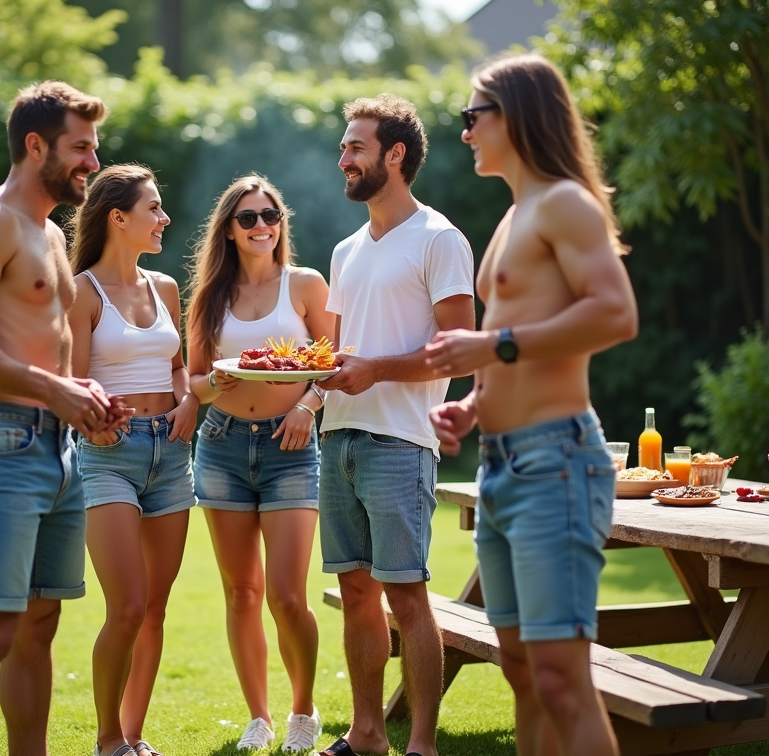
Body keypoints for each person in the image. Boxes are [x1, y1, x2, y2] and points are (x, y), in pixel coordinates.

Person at [427, 53, 638, 756]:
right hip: (501, 466)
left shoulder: (565, 204)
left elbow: (615, 314)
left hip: (556, 462)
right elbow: (506, 344)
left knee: (560, 680)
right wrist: (474, 408)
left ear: (512, 115)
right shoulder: (513, 218)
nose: (464, 134)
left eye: (471, 117)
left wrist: (498, 347)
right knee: (521, 672)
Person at [0, 80, 129, 756]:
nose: (91, 164)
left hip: (57, 448)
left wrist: (85, 403)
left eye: (93, 149)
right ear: (34, 145)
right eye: (79, 149)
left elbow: (44, 350)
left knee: (38, 626)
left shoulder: (47, 234)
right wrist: (54, 388)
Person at [315, 94, 476, 756]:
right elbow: (331, 353)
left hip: (400, 443)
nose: (344, 157)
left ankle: (424, 746)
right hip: (338, 437)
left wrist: (376, 368)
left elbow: (460, 349)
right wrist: (299, 381)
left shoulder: (439, 238)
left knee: (406, 599)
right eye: (345, 147)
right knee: (356, 594)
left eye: (355, 147)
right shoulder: (345, 250)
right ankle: (367, 734)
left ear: (396, 154)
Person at [186, 174, 334, 752]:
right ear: (229, 228)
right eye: (248, 217)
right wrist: (211, 382)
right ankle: (259, 716)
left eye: (270, 215)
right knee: (241, 592)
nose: (261, 226)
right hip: (221, 441)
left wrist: (307, 407)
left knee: (287, 595)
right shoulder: (208, 297)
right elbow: (194, 381)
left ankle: (303, 711)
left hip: (291, 447)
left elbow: (334, 363)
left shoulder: (304, 284)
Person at [66, 164, 198, 756]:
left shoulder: (165, 287)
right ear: (118, 218)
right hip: (108, 455)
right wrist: (97, 430)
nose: (165, 218)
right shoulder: (81, 291)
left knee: (155, 608)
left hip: (170, 452)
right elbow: (71, 381)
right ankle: (107, 739)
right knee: (127, 606)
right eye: (154, 209)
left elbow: (176, 366)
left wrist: (191, 398)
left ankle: (135, 735)